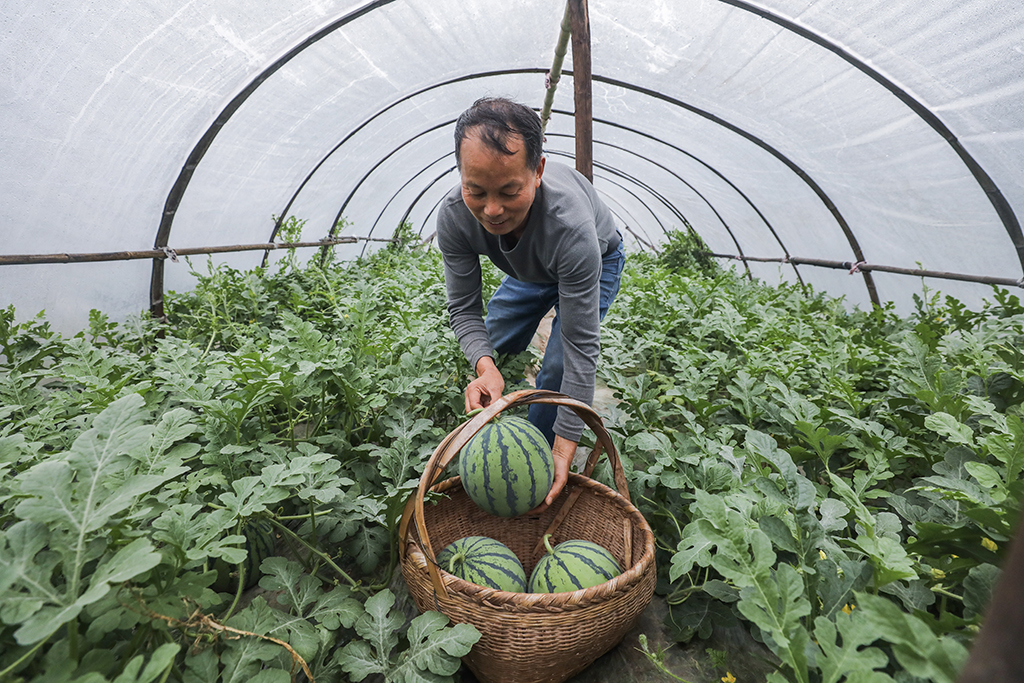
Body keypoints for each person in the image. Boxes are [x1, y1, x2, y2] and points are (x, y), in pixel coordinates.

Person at [436, 96, 625, 511]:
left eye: (509, 191)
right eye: (476, 190)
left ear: (537, 172)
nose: (492, 209)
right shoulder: (453, 216)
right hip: (530, 268)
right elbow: (464, 310)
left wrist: (564, 446)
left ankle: (533, 458)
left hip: (592, 256)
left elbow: (579, 348)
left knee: (557, 363)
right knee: (497, 332)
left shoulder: (571, 228)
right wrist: (485, 367)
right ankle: (489, 408)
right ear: (461, 175)